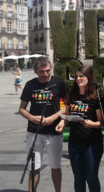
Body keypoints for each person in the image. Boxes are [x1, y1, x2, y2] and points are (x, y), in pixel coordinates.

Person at [19, 56, 68, 192]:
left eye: (48, 70)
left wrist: (54, 117)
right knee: (34, 167)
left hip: (53, 131)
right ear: (35, 71)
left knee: (55, 166)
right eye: (42, 71)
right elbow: (21, 109)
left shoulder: (59, 83)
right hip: (34, 131)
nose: (45, 74)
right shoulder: (30, 85)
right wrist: (31, 117)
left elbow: (68, 106)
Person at [56, 66, 103, 192]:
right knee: (78, 178)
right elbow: (67, 114)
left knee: (91, 177)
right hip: (74, 142)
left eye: (81, 76)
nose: (78, 79)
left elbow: (101, 123)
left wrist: (91, 124)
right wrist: (62, 122)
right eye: (76, 76)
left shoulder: (95, 96)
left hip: (92, 143)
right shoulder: (72, 94)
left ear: (89, 77)